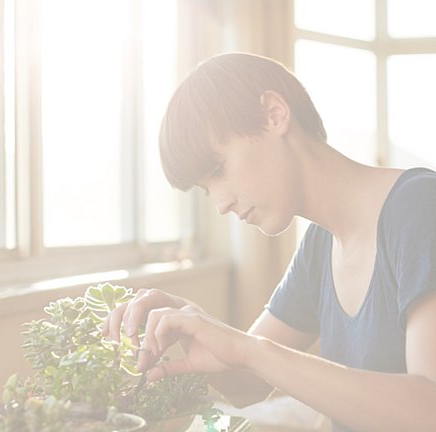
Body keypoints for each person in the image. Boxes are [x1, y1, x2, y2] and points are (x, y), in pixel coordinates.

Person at [102, 52, 436, 432]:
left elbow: (430, 408)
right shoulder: (319, 247)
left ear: (274, 114)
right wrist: (193, 333)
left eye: (218, 169)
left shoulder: (420, 208)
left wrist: (250, 350)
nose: (222, 203)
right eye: (205, 189)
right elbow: (249, 381)